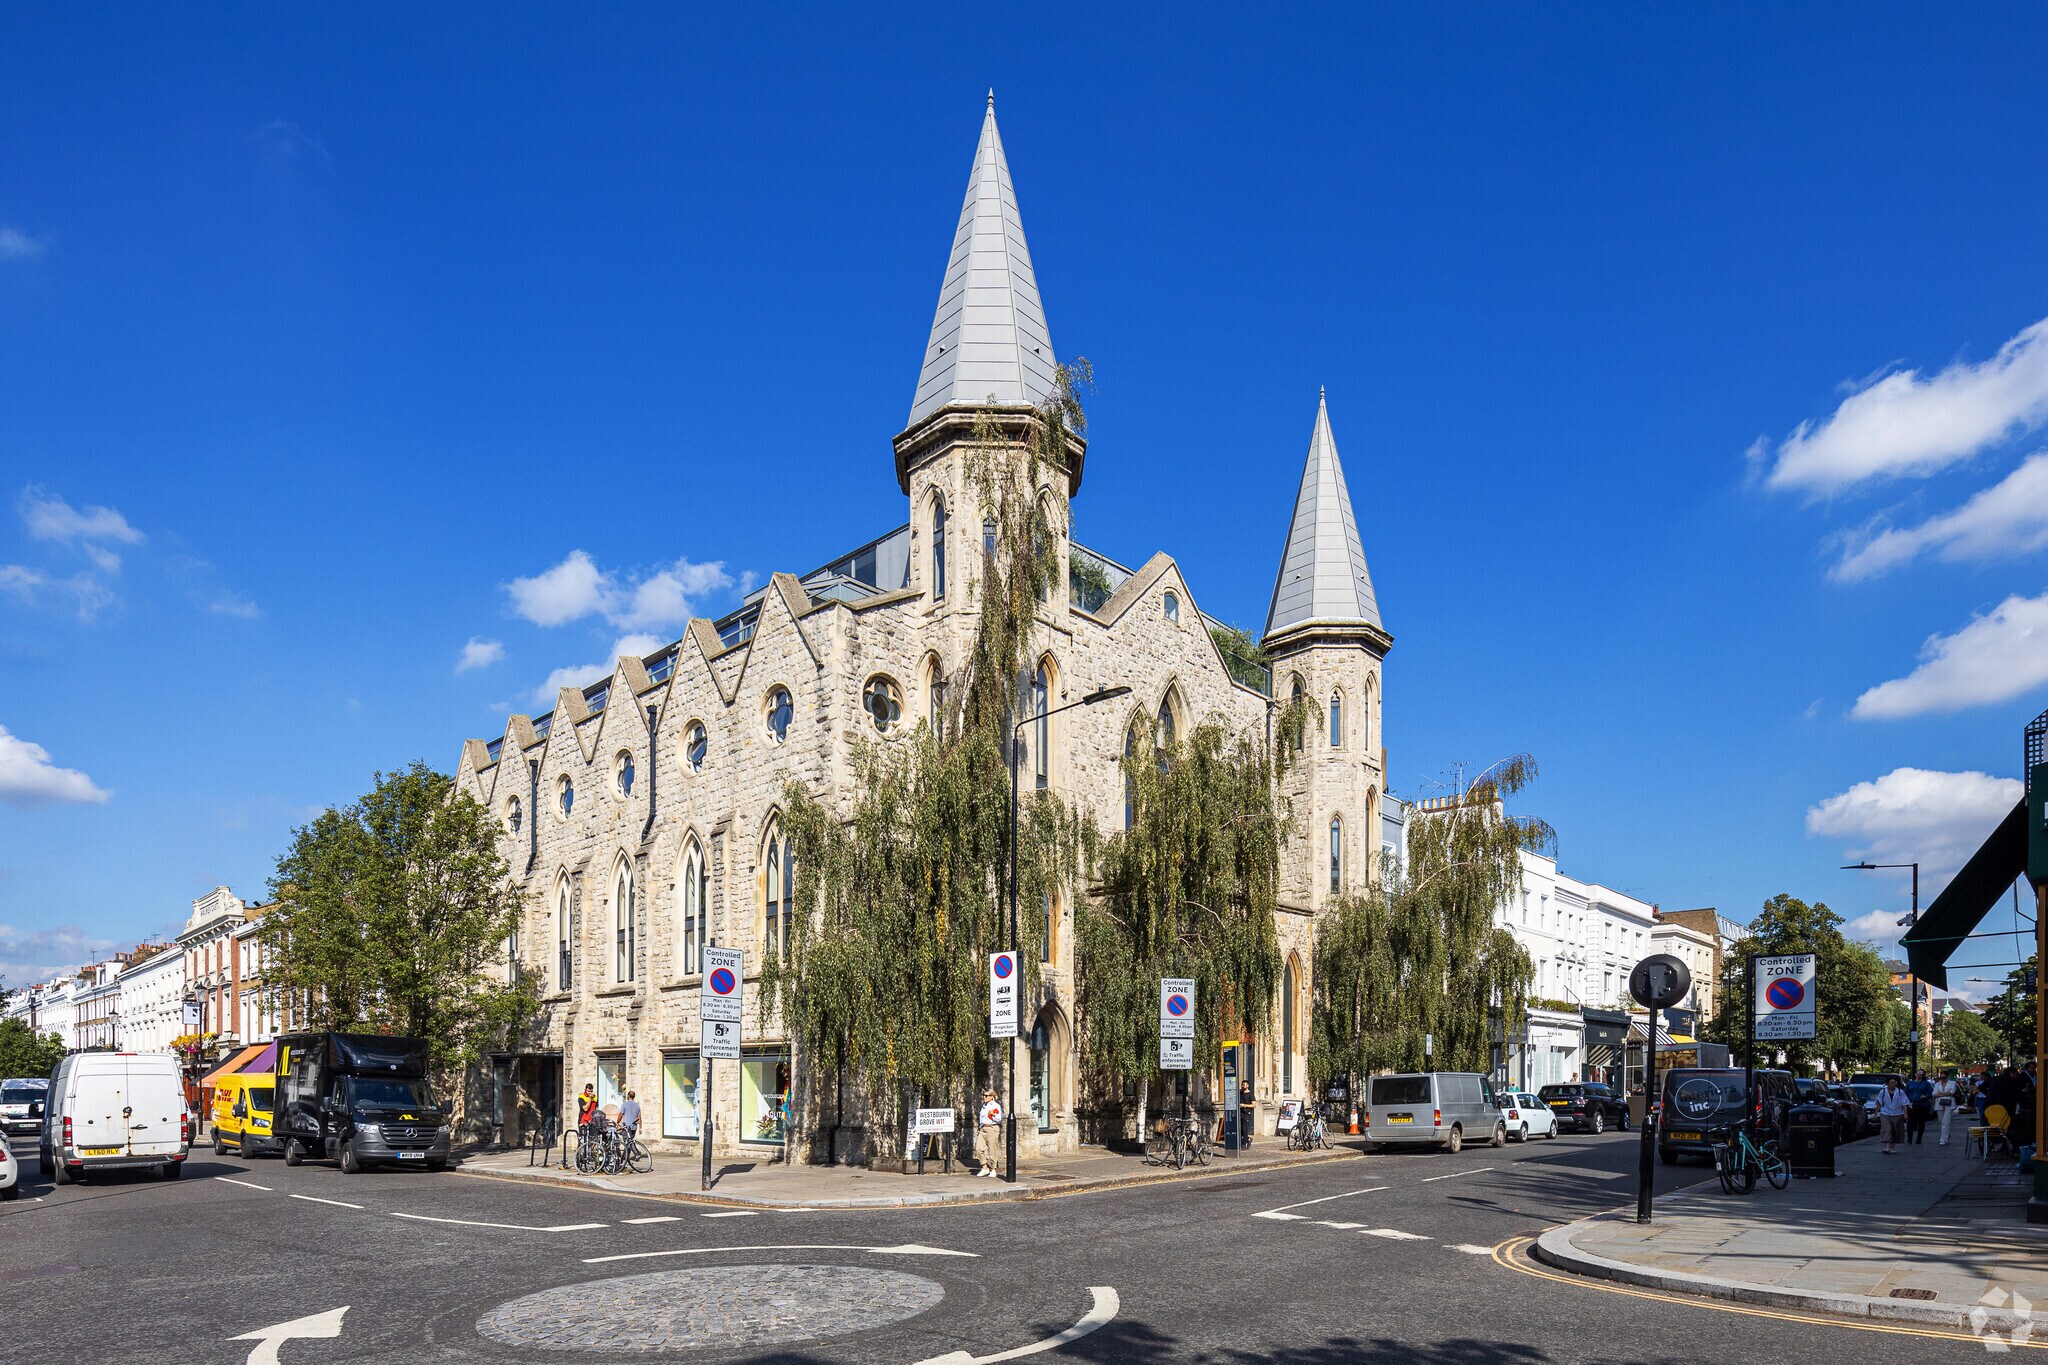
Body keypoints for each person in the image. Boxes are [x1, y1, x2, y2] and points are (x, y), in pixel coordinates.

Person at [976, 1087, 1005, 1178]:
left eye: (986, 1095)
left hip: (992, 1128)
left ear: (992, 1097)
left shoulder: (995, 1106)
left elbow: (1000, 1118)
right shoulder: (984, 1106)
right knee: (978, 1149)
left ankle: (993, 1169)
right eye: (983, 1095)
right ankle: (984, 1168)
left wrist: (993, 1114)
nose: (984, 1097)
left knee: (993, 1150)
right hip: (983, 1128)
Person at [1876, 1076, 1909, 1154]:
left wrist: (1905, 1113)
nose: (1893, 1084)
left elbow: (1905, 1103)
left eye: (1895, 1082)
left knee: (1895, 1130)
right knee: (1887, 1129)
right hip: (1885, 1113)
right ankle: (1887, 1147)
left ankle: (1892, 1147)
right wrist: (1875, 1113)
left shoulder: (1900, 1092)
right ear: (1887, 1084)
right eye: (1891, 1082)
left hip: (1897, 1113)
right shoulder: (1883, 1092)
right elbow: (1878, 1102)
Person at [1905, 1069, 1933, 1145]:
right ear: (1915, 1074)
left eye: (1921, 1074)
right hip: (1911, 1105)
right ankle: (1909, 1138)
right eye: (1918, 1074)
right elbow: (1905, 1093)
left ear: (1923, 1076)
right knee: (1910, 1122)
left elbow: (1930, 1092)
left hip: (1922, 1105)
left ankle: (1919, 1138)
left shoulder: (1926, 1083)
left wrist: (1925, 1096)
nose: (1919, 1075)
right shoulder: (1910, 1083)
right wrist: (1906, 1102)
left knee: (1921, 1122)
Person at [1933, 1070, 1960, 1147]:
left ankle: (1943, 1140)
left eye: (1944, 1077)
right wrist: (1945, 1093)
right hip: (1939, 1104)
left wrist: (1940, 1094)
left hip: (1949, 1103)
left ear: (1947, 1077)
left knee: (1945, 1122)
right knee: (1941, 1122)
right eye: (1941, 1077)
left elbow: (1952, 1092)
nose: (1942, 1079)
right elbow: (1934, 1094)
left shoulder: (1952, 1083)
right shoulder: (1937, 1084)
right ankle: (1946, 1134)